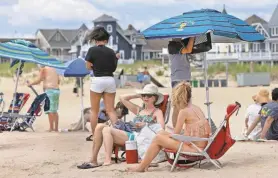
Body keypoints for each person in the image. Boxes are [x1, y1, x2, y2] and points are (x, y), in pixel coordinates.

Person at [127, 82, 211, 172]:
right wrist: (166, 133)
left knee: (158, 138)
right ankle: (145, 164)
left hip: (195, 150)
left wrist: (168, 134)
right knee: (161, 133)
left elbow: (176, 135)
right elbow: (193, 131)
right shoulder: (196, 108)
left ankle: (141, 167)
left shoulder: (184, 112)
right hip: (200, 145)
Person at [77, 84, 165, 169]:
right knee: (99, 126)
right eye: (144, 95)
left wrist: (146, 124)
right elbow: (122, 98)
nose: (145, 98)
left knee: (107, 130)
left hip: (140, 137)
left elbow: (161, 128)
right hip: (131, 134)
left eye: (149, 96)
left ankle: (107, 160)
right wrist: (138, 95)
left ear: (154, 98)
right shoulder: (139, 110)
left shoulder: (157, 112)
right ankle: (93, 160)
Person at [85, 26, 119, 136]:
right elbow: (113, 68)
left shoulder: (92, 50)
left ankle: (95, 135)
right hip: (110, 80)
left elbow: (88, 67)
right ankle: (118, 133)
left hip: (98, 80)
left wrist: (95, 67)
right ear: (106, 40)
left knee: (94, 111)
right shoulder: (111, 52)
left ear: (95, 39)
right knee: (110, 110)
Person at [169, 37, 195, 128]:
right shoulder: (173, 45)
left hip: (185, 78)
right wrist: (192, 36)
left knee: (187, 105)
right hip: (178, 79)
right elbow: (188, 49)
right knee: (177, 107)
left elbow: (190, 50)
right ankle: (176, 130)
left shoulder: (182, 43)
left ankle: (185, 129)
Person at [27, 66, 60, 132]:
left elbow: (39, 80)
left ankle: (51, 128)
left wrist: (30, 83)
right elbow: (58, 81)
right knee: (54, 110)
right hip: (57, 90)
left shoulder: (44, 69)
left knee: (49, 110)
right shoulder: (55, 68)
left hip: (49, 90)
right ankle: (56, 128)